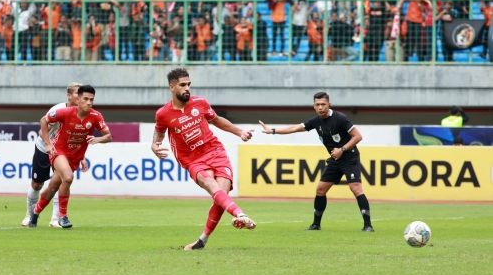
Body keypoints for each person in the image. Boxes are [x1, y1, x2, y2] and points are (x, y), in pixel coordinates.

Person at [152, 68, 256, 250]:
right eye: (182, 85)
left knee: (221, 196)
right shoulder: (163, 113)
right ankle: (240, 214)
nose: (187, 88)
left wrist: (240, 132)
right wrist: (155, 145)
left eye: (188, 84)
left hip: (215, 151)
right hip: (192, 160)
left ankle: (202, 241)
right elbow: (159, 132)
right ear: (172, 87)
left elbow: (216, 120)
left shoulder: (200, 103)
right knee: (211, 185)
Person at [258, 92, 374, 232]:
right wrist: (273, 130)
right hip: (335, 160)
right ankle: (316, 225)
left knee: (355, 188)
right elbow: (294, 128)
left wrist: (342, 149)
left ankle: (368, 226)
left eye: (323, 104)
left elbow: (357, 136)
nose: (320, 107)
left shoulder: (340, 118)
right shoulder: (316, 121)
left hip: (350, 158)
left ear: (329, 105)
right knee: (320, 190)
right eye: (317, 105)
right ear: (314, 106)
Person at [29, 85, 112, 228]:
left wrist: (98, 139)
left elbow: (108, 136)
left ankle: (35, 212)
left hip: (75, 156)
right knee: (67, 177)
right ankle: (63, 217)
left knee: (53, 187)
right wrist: (48, 144)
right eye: (85, 99)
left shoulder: (95, 116)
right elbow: (44, 120)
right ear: (78, 99)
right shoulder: (65, 112)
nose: (89, 102)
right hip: (59, 151)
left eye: (91, 99)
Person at [21, 83, 84, 228]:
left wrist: (82, 156)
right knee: (37, 184)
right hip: (44, 149)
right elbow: (41, 131)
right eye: (77, 94)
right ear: (69, 95)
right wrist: (50, 145)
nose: (81, 97)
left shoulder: (83, 112)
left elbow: (80, 136)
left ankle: (55, 219)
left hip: (64, 152)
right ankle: (29, 215)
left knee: (61, 181)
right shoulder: (58, 110)